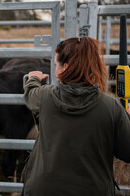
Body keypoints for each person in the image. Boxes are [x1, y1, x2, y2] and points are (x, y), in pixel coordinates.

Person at [21, 36, 130, 196]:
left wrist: (33, 79)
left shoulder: (45, 96)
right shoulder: (111, 106)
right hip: (93, 190)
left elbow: (30, 94)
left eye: (56, 64)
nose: (56, 69)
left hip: (43, 190)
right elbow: (127, 151)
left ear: (65, 67)